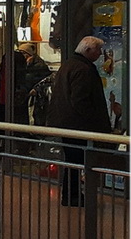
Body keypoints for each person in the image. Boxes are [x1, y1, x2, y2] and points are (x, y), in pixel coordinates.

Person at [47, 36, 112, 207]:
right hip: (78, 125)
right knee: (76, 161)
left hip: (66, 123)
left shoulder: (69, 65)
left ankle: (71, 194)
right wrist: (94, 121)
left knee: (72, 160)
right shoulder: (83, 69)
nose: (99, 54)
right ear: (88, 50)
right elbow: (80, 100)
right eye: (98, 50)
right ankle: (73, 195)